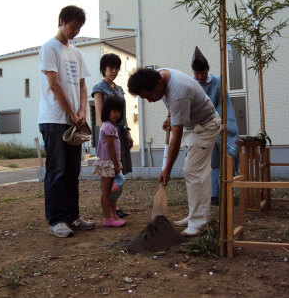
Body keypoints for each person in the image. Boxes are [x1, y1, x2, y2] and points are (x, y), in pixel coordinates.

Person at [127, 68, 221, 236]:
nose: (149, 100)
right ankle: (195, 216)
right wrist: (170, 117)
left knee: (194, 172)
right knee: (193, 172)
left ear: (159, 84)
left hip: (206, 126)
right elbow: (171, 103)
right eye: (145, 98)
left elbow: (176, 137)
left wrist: (167, 169)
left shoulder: (179, 93)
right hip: (194, 126)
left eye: (149, 96)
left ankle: (199, 222)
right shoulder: (160, 75)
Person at [38, 5, 95, 238]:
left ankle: (73, 216)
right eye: (73, 26)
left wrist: (82, 110)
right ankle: (56, 219)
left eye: (79, 27)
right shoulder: (49, 48)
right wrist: (71, 113)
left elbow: (82, 85)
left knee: (72, 171)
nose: (76, 31)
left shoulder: (77, 52)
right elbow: (54, 84)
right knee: (57, 171)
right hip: (54, 120)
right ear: (62, 21)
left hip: (74, 120)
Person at [191, 46, 239, 206]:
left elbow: (224, 104)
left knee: (222, 159)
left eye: (202, 73)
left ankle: (226, 191)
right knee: (208, 163)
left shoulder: (218, 82)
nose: (199, 76)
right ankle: (211, 194)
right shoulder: (192, 84)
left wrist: (220, 124)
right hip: (199, 127)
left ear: (207, 70)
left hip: (218, 124)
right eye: (196, 73)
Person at [91, 53, 133, 218]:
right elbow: (100, 115)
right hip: (109, 135)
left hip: (121, 133)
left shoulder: (119, 89)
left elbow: (124, 113)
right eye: (111, 68)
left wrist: (128, 132)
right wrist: (105, 135)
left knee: (119, 174)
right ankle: (109, 211)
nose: (114, 71)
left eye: (116, 68)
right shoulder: (99, 89)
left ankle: (115, 208)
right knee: (110, 173)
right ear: (104, 69)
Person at [92, 96, 127, 227]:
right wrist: (116, 164)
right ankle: (108, 218)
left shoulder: (109, 126)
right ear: (107, 111)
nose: (117, 114)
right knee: (107, 192)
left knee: (113, 192)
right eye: (114, 111)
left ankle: (113, 215)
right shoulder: (109, 127)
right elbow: (111, 147)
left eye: (119, 112)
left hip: (110, 162)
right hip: (109, 163)